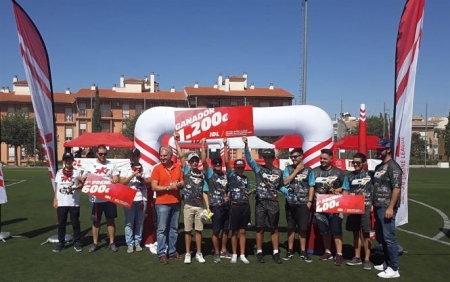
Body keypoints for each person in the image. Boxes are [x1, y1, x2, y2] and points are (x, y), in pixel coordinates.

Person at [243, 136, 283, 264]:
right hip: (260, 203)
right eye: (265, 157)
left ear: (273, 158)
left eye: (269, 157)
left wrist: (291, 193)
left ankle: (275, 253)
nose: (267, 160)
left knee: (274, 228)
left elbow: (281, 187)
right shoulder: (258, 168)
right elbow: (249, 159)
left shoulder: (279, 172)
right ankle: (260, 252)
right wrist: (246, 145)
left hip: (273, 202)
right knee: (259, 228)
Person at [173, 132, 209, 264]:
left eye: (196, 160)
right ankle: (188, 253)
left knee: (199, 231)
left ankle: (199, 253)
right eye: (192, 161)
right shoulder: (187, 171)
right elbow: (181, 155)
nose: (194, 162)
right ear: (189, 162)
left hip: (199, 207)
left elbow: (205, 191)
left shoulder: (202, 174)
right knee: (188, 231)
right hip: (188, 205)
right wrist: (176, 140)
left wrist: (208, 207)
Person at [313, 148, 349, 266]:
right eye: (321, 158)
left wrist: (336, 190)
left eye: (325, 159)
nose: (322, 160)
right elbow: (311, 187)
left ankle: (339, 254)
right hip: (320, 206)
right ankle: (327, 252)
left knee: (336, 230)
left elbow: (345, 188)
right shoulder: (314, 171)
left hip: (335, 206)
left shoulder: (339, 173)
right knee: (324, 230)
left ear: (331, 159)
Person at [373, 139, 402, 279]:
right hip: (378, 206)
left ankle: (394, 268)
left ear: (388, 149)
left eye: (381, 149)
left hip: (386, 207)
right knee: (381, 236)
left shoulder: (393, 167)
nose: (378, 151)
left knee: (389, 237)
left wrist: (390, 207)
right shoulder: (379, 166)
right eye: (377, 149)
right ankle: (387, 262)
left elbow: (396, 188)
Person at [82, 145, 120, 253]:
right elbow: (83, 178)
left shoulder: (111, 165)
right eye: (101, 154)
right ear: (96, 154)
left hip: (109, 198)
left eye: (105, 154)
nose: (103, 156)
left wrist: (115, 180)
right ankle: (95, 243)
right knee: (96, 221)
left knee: (110, 220)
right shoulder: (90, 165)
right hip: (95, 199)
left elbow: (116, 177)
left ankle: (112, 242)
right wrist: (83, 178)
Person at [151, 146, 184, 265]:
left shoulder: (178, 167)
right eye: (161, 155)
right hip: (162, 204)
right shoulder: (157, 169)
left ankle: (172, 251)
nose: (162, 157)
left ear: (170, 156)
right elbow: (154, 187)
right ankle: (161, 253)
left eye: (165, 155)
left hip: (175, 202)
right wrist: (168, 187)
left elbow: (183, 183)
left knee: (174, 229)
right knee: (162, 229)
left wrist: (179, 184)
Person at [280, 148, 315, 263]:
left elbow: (311, 186)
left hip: (303, 203)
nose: (293, 159)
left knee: (302, 229)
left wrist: (310, 202)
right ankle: (290, 251)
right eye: (292, 157)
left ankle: (303, 252)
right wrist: (295, 172)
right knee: (290, 228)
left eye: (295, 156)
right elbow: (284, 182)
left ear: (301, 156)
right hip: (290, 203)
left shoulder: (309, 170)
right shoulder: (288, 169)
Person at [200, 138, 231, 263]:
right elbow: (203, 161)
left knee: (226, 230)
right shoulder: (210, 174)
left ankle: (224, 250)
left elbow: (228, 188)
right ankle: (216, 252)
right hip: (215, 207)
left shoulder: (225, 175)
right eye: (216, 164)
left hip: (226, 206)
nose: (218, 165)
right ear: (212, 165)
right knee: (216, 231)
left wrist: (225, 145)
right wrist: (203, 146)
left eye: (219, 163)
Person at [223, 138, 250, 264]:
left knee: (243, 231)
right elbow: (227, 161)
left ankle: (242, 254)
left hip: (245, 206)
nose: (240, 170)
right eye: (238, 168)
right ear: (235, 168)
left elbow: (247, 191)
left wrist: (249, 193)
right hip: (234, 206)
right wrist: (225, 145)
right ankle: (234, 254)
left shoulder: (246, 178)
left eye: (241, 168)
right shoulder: (231, 175)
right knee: (234, 231)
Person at [120, 148, 151, 254]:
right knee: (129, 222)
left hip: (142, 198)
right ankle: (130, 243)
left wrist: (141, 179)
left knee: (139, 222)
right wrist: (133, 175)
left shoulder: (145, 168)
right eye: (132, 156)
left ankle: (137, 242)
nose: (133, 158)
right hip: (129, 198)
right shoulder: (125, 168)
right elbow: (122, 182)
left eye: (135, 156)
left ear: (139, 156)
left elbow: (148, 183)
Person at [345, 152, 373, 270]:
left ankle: (367, 259)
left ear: (364, 163)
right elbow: (346, 191)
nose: (355, 165)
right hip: (353, 208)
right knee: (355, 232)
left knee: (366, 234)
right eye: (353, 162)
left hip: (366, 207)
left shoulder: (370, 174)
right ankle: (357, 257)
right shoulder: (349, 176)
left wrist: (373, 205)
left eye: (357, 163)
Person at [52, 152, 84, 252]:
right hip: (61, 202)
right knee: (61, 223)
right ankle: (61, 243)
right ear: (64, 161)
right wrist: (55, 199)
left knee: (75, 223)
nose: (68, 161)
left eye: (69, 159)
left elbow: (82, 185)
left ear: (72, 161)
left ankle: (77, 242)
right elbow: (57, 186)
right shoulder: (59, 172)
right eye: (66, 160)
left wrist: (78, 187)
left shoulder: (77, 172)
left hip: (74, 202)